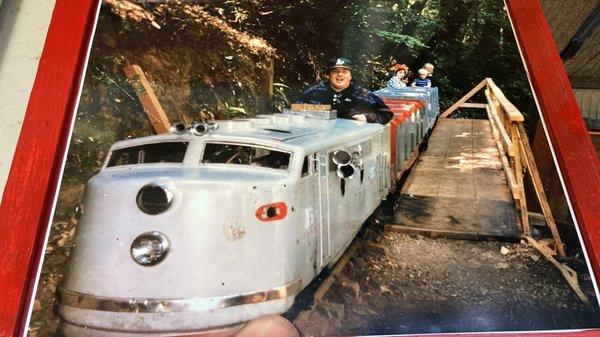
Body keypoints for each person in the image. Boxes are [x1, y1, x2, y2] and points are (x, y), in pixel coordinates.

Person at [296, 57, 393, 124]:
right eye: (335, 71)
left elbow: (387, 113)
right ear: (328, 75)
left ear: (350, 76)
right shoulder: (313, 92)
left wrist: (367, 117)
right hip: (317, 140)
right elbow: (294, 110)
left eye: (344, 71)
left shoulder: (362, 94)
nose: (340, 75)